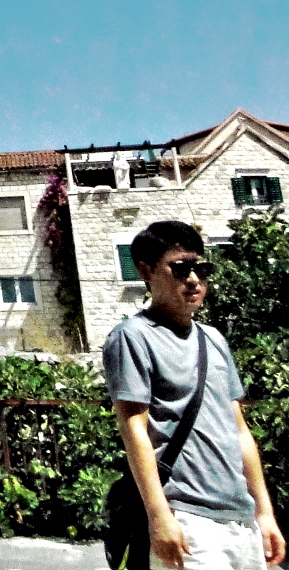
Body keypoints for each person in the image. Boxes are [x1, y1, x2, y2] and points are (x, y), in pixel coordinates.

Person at [105, 220, 285, 570]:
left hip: (241, 518)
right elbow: (134, 430)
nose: (194, 279)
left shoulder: (213, 339)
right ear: (146, 271)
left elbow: (239, 431)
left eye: (201, 269)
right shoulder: (133, 337)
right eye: (180, 268)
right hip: (187, 519)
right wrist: (159, 516)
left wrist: (264, 512)